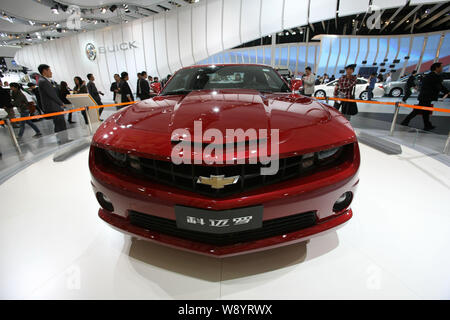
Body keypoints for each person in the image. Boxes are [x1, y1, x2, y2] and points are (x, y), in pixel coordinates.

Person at [401, 62, 449, 131]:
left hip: (425, 97)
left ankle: (427, 125)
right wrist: (447, 92)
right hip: (426, 97)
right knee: (418, 111)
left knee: (424, 111)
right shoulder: (433, 76)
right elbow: (439, 86)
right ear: (436, 68)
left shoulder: (430, 75)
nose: (442, 68)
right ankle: (406, 121)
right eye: (441, 67)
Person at [37, 64, 70, 144]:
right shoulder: (43, 81)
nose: (51, 72)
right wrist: (61, 103)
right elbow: (52, 94)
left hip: (53, 106)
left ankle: (62, 139)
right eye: (50, 70)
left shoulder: (45, 81)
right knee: (60, 124)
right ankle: (63, 140)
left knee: (59, 123)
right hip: (53, 106)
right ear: (45, 71)